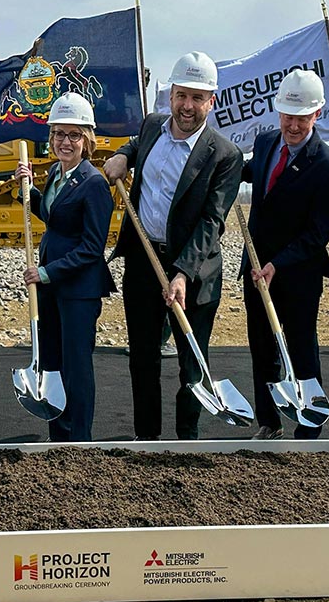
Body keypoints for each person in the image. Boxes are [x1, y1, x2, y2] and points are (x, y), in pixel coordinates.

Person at [103, 52, 243, 440]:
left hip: (194, 272)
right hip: (144, 262)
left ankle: (186, 440)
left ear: (211, 101)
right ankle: (147, 438)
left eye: (197, 98)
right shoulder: (152, 126)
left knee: (191, 363)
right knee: (142, 356)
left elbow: (211, 222)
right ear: (171, 95)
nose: (187, 106)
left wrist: (182, 273)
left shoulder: (225, 155)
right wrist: (123, 156)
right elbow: (136, 144)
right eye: (181, 95)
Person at [241, 70, 329, 440]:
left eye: (302, 117)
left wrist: (278, 264)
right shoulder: (266, 142)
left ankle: (309, 426)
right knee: (262, 349)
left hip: (298, 274)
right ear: (278, 111)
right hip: (256, 268)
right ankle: (269, 423)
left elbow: (317, 235)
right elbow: (246, 172)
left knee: (301, 349)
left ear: (317, 114)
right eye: (288, 116)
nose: (294, 125)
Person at [14, 93, 116, 442]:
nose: (65, 142)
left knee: (76, 367)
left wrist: (46, 272)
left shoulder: (94, 183)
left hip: (78, 291)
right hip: (51, 288)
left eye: (74, 135)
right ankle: (58, 435)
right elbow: (55, 218)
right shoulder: (56, 174)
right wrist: (27, 191)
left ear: (87, 139)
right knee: (53, 363)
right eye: (59, 134)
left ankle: (79, 438)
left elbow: (92, 248)